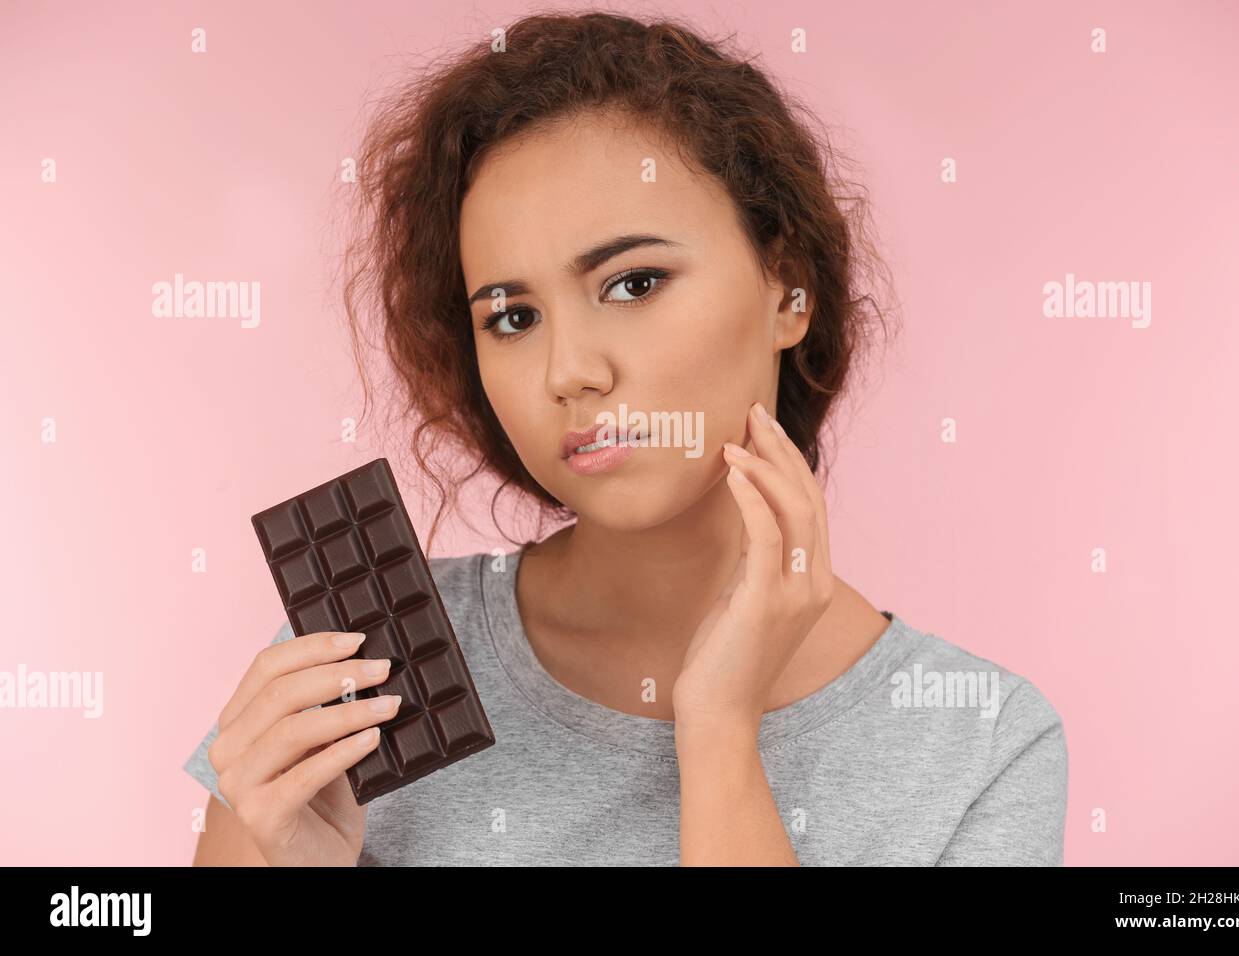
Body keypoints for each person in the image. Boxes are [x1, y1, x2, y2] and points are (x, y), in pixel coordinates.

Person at [184, 11, 1067, 866]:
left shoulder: (979, 743)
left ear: (787, 288)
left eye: (635, 282)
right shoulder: (354, 678)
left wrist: (719, 734)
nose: (570, 369)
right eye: (513, 316)